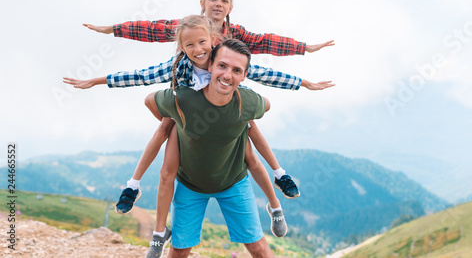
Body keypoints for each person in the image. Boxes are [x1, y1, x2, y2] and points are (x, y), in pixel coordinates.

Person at [64, 15, 334, 257]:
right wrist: (103, 64)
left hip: (231, 132)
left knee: (249, 140)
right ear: (182, 45)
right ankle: (136, 191)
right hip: (185, 120)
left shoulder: (228, 58)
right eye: (190, 45)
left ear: (213, 39)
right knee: (165, 158)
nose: (198, 50)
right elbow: (143, 62)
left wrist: (303, 79)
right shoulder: (179, 70)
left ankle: (278, 183)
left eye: (203, 43)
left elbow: (265, 65)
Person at [82, 0, 334, 206]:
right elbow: (150, 33)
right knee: (164, 134)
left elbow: (264, 51)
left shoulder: (232, 41)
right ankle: (133, 186)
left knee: (249, 127)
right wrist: (112, 33)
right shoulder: (186, 34)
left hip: (223, 94)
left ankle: (280, 175)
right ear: (202, 4)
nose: (218, 4)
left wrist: (304, 62)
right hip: (189, 99)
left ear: (230, 8)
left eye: (224, 0)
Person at [155, 38, 277, 257]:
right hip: (190, 185)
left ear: (244, 76)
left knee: (258, 247)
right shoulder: (184, 99)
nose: (228, 75)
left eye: (236, 70)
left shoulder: (248, 102)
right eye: (222, 66)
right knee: (180, 250)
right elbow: (150, 101)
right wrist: (179, 124)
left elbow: (266, 105)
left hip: (233, 182)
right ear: (210, 65)